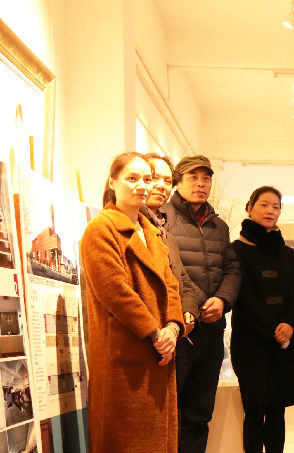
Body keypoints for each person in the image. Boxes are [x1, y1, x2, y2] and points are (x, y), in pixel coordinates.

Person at [81, 152, 184, 453]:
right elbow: (115, 291)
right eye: (132, 178)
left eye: (147, 179)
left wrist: (173, 328)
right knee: (125, 441)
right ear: (113, 182)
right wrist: (155, 333)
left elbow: (171, 285)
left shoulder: (152, 233)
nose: (142, 185)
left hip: (159, 352)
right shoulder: (101, 229)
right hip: (125, 353)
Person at [160, 155, 241, 453]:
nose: (200, 184)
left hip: (211, 329)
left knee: (200, 410)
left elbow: (232, 268)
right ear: (178, 181)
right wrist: (193, 305)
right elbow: (171, 271)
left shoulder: (219, 226)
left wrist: (222, 299)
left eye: (206, 178)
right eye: (193, 177)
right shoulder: (162, 218)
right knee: (172, 410)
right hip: (178, 328)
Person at [231, 186, 294, 453]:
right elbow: (243, 296)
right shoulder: (236, 250)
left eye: (276, 206)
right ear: (249, 208)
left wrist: (290, 324)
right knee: (255, 411)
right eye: (264, 205)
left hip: (283, 344)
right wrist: (272, 328)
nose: (270, 211)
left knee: (278, 410)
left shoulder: (287, 253)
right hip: (251, 343)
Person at [143, 153, 200, 334]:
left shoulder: (165, 233)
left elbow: (183, 280)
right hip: (147, 331)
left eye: (168, 181)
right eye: (154, 178)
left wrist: (188, 310)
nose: (161, 186)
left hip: (171, 331)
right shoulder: (131, 228)